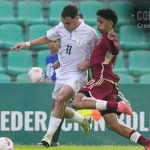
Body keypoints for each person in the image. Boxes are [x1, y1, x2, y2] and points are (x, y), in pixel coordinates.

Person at [10, 4, 132, 147]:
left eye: (68, 22)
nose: (65, 25)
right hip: (62, 74)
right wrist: (26, 44)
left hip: (78, 75)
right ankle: (83, 120)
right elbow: (48, 38)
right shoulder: (61, 27)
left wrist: (87, 62)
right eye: (64, 22)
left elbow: (98, 54)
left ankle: (47, 139)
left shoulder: (90, 33)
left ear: (77, 18)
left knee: (62, 98)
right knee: (57, 107)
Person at [71, 8, 150, 150]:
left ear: (110, 23)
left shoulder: (109, 37)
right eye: (97, 21)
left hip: (101, 79)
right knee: (113, 124)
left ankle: (119, 105)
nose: (98, 24)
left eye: (101, 21)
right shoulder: (103, 38)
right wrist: (88, 63)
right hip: (108, 82)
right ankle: (146, 143)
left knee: (77, 102)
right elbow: (104, 58)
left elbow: (115, 50)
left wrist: (113, 41)